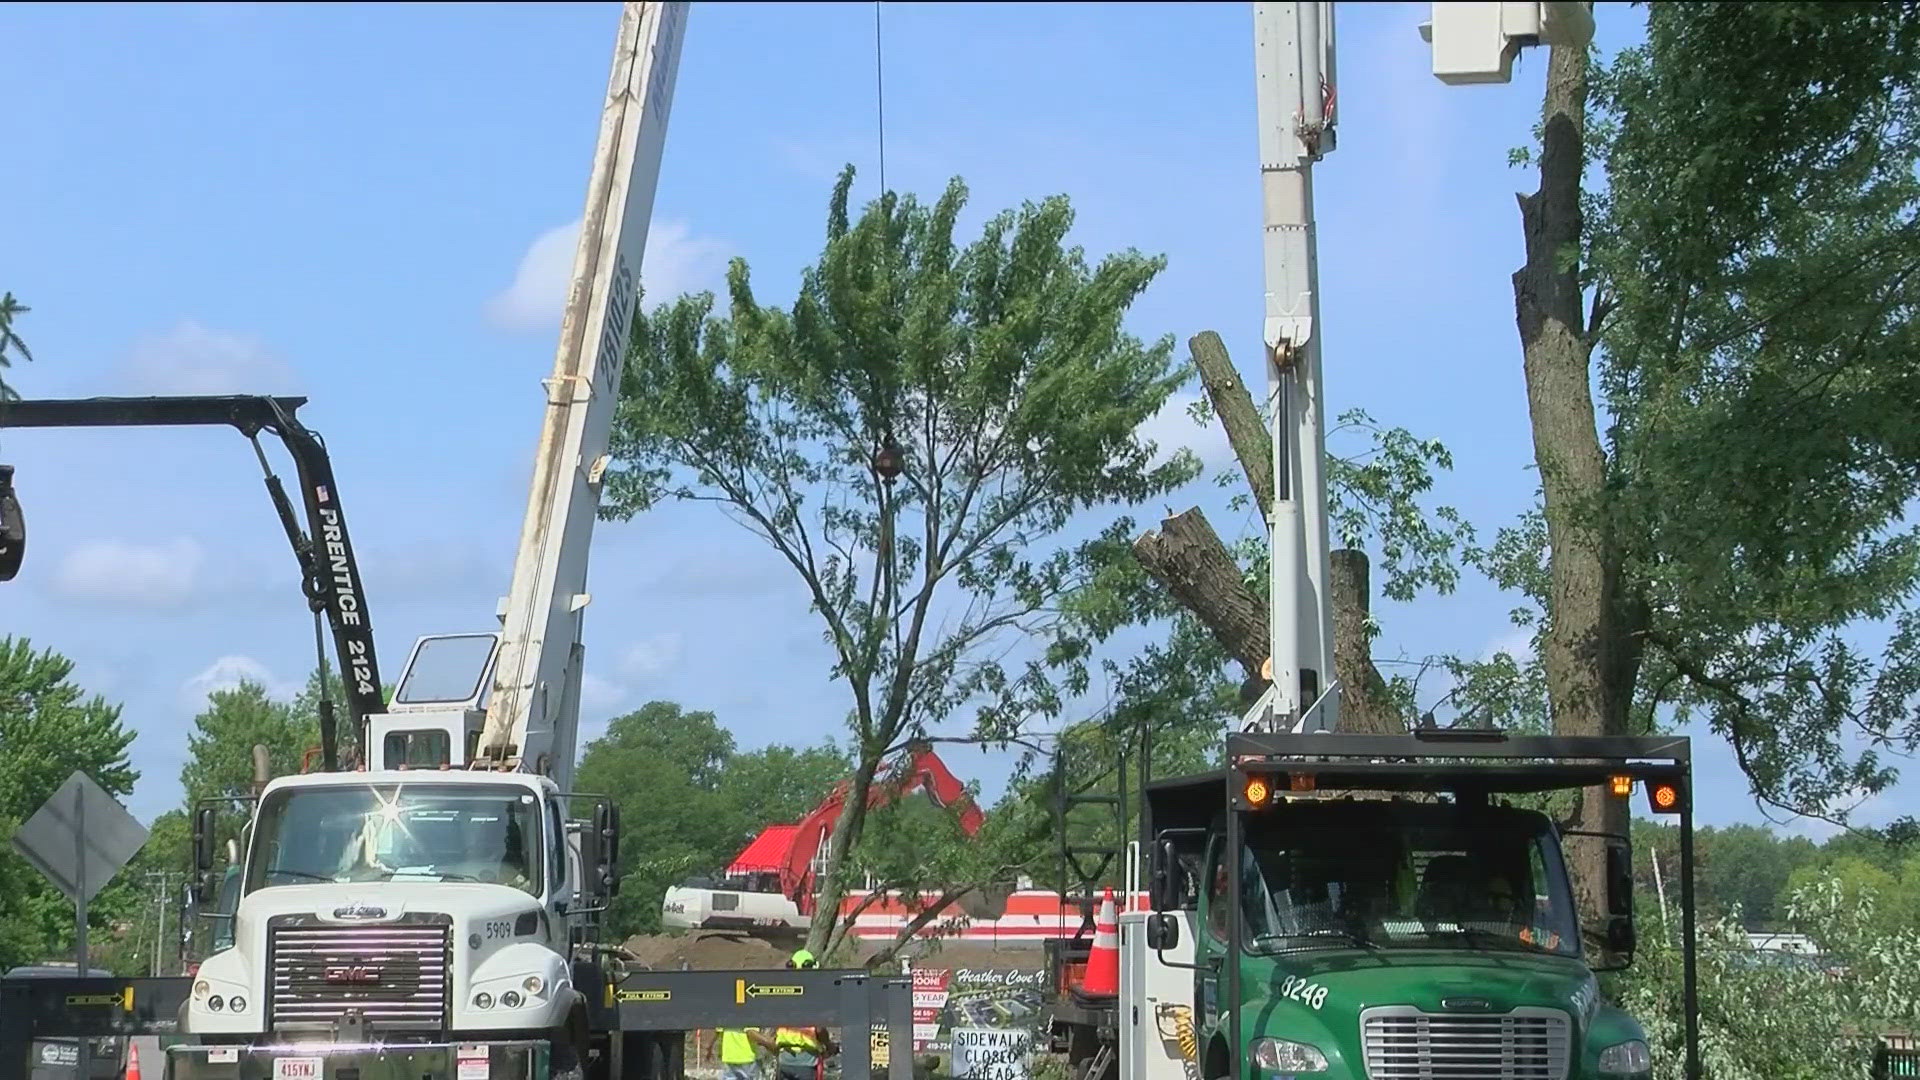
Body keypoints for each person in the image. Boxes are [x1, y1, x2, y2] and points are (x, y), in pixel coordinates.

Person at [774, 950, 835, 1080]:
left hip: (784, 1059)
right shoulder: (811, 995)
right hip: (805, 1061)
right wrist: (829, 1045)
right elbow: (819, 1029)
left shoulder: (783, 994)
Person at [710, 1025, 774, 1080]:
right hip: (746, 1057)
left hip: (728, 1056)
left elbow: (717, 1033)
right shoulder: (746, 1014)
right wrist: (768, 1043)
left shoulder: (725, 1014)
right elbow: (751, 1032)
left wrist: (709, 1049)